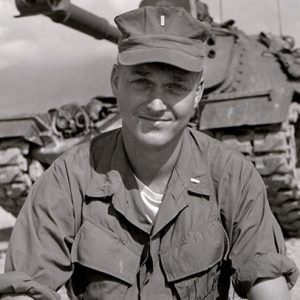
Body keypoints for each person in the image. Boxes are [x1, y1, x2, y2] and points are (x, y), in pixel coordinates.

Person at [0, 5, 298, 300]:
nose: (156, 104)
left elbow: (266, 280)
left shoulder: (233, 177)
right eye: (142, 82)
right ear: (116, 81)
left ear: (198, 92)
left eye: (175, 86)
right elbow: (25, 288)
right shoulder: (69, 178)